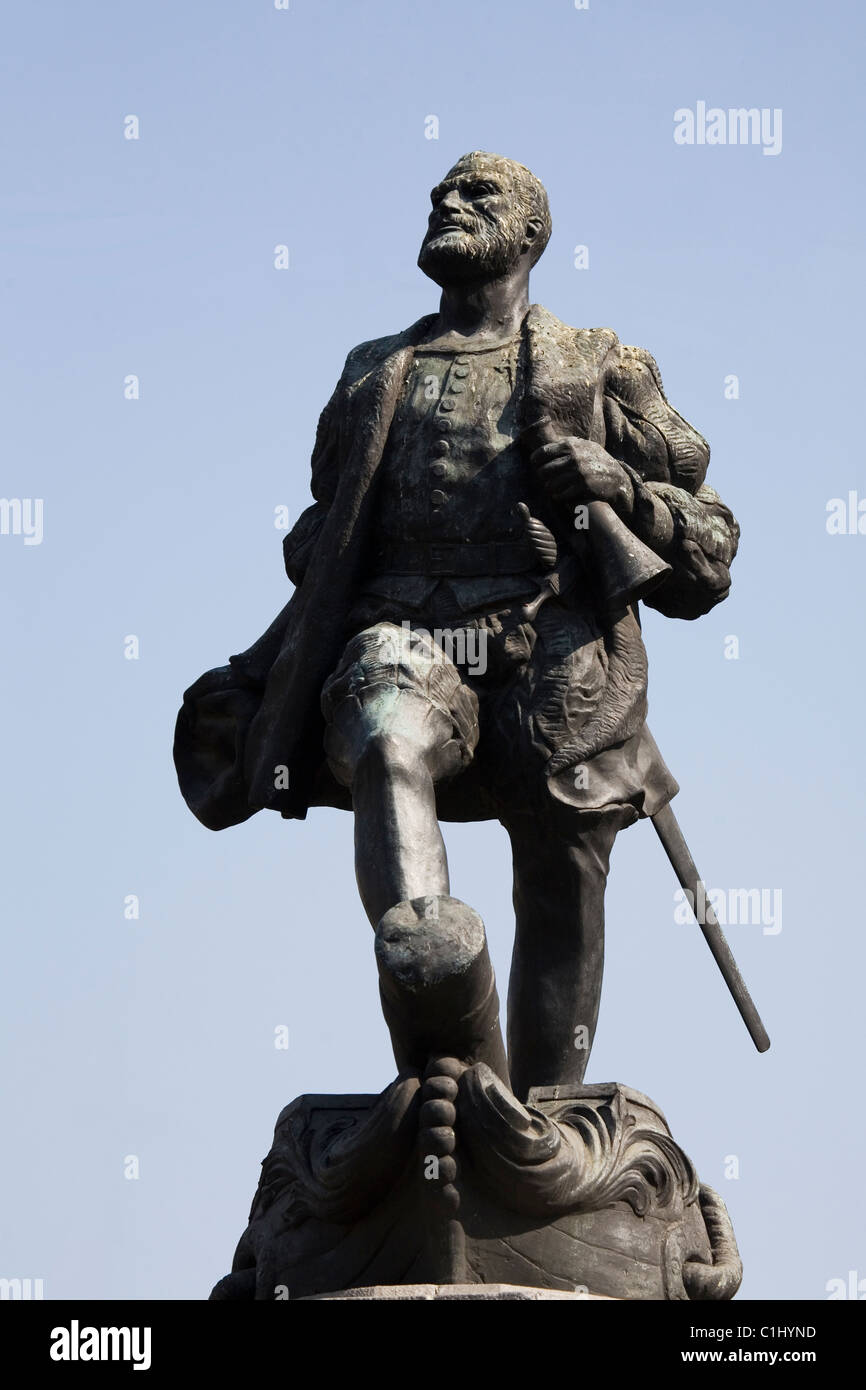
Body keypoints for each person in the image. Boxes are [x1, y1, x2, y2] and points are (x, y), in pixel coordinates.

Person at [174, 151, 739, 1099]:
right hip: (406, 639)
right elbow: (325, 538)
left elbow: (710, 552)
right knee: (384, 734)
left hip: (553, 654)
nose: (445, 203)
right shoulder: (372, 373)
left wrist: (618, 487)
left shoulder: (601, 365)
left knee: (562, 872)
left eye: (474, 195)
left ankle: (542, 1128)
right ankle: (447, 1031)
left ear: (530, 233)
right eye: (439, 192)